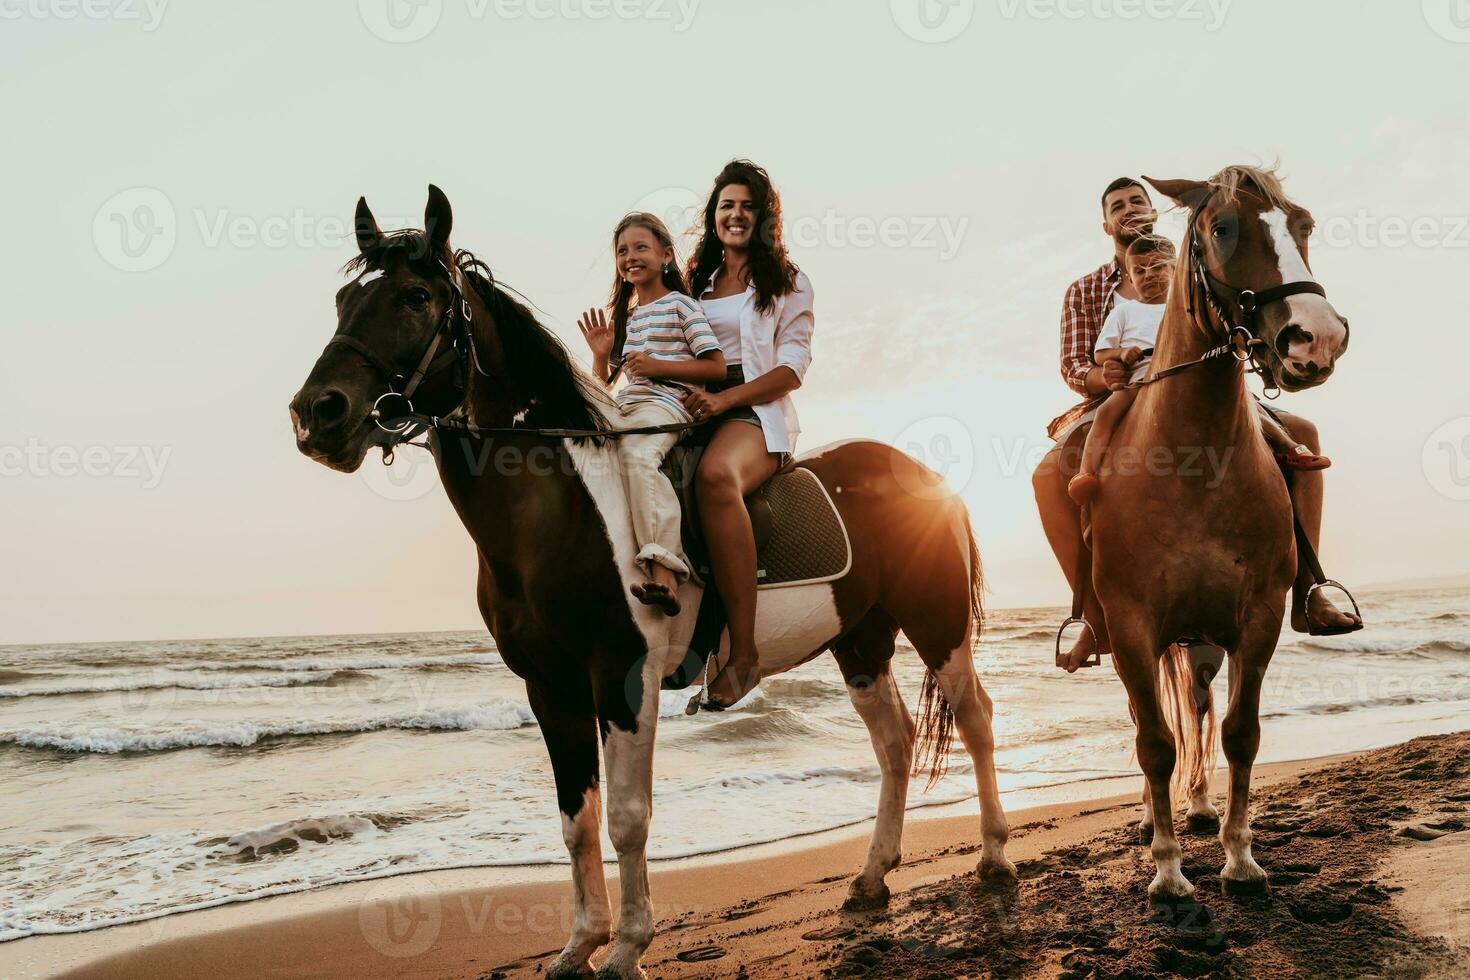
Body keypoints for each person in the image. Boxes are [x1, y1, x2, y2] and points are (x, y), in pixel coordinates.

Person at [1034, 177, 1360, 673]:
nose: (1130, 209)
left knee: (1305, 434)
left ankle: (1309, 586)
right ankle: (1093, 615)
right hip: (1120, 394)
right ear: (1106, 224)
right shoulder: (1087, 290)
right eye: (1118, 206)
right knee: (1046, 473)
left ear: (1154, 209)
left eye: (1137, 200)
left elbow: (1237, 315)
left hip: (1202, 390)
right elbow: (1073, 364)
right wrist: (1105, 372)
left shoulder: (1193, 267)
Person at [679, 160, 814, 709]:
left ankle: (745, 656)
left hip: (754, 414)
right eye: (726, 205)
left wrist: (726, 399)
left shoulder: (788, 282)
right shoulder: (693, 284)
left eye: (747, 206)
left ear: (763, 217)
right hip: (689, 406)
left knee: (714, 477)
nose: (736, 214)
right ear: (713, 217)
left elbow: (792, 369)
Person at [1067, 235, 1329, 504]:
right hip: (1141, 379)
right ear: (1130, 281)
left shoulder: (1185, 309)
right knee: (1107, 414)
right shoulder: (1124, 313)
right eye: (1140, 271)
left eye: (1157, 267)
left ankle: (1290, 447)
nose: (1149, 275)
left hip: (1188, 376)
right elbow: (1100, 354)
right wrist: (1121, 353)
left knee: (1249, 406)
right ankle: (1086, 474)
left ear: (1174, 271)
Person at [578, 213, 725, 617]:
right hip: (627, 405)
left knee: (637, 457)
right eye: (622, 251)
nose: (630, 257)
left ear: (666, 255)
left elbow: (715, 367)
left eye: (640, 247)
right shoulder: (626, 316)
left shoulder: (682, 305)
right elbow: (607, 385)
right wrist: (599, 353)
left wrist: (658, 367)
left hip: (666, 407)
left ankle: (665, 570)